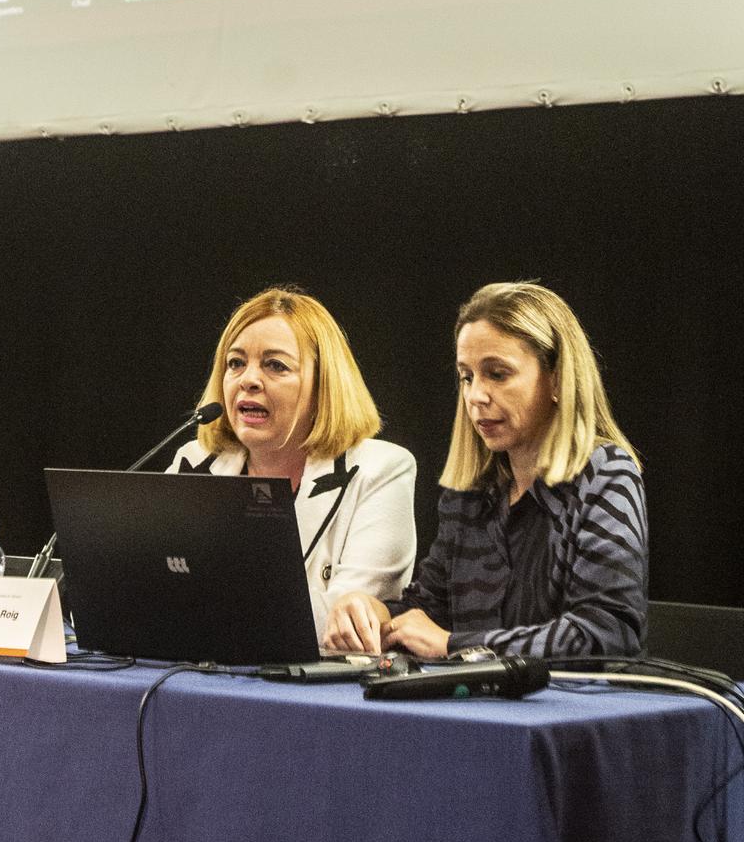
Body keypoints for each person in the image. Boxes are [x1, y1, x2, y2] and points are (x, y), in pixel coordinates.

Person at [323, 281, 647, 658]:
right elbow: (428, 611)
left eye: (498, 373)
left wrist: (454, 645)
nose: (476, 395)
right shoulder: (470, 496)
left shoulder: (605, 474)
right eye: (467, 376)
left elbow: (607, 636)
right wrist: (372, 614)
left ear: (556, 378)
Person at [169, 287, 415, 643]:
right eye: (236, 363)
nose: (248, 380)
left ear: (323, 387)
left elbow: (345, 623)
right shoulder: (195, 462)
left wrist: (197, 607)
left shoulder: (380, 470)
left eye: (275, 365)